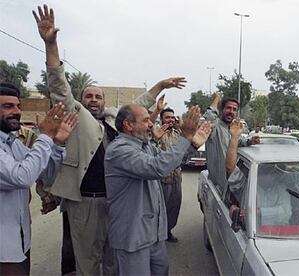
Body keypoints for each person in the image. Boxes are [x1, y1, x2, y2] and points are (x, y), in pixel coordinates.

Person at [33, 5, 187, 275]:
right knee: (88, 263)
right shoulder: (77, 117)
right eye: (88, 96)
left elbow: (140, 105)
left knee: (116, 262)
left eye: (98, 96)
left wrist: (161, 85)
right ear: (80, 101)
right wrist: (51, 44)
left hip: (118, 204)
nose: (93, 100)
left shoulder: (114, 117)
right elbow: (59, 86)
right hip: (88, 202)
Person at [104, 105, 211, 275]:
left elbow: (169, 159)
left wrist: (192, 144)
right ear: (128, 125)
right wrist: (185, 137)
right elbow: (158, 167)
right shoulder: (119, 150)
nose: (151, 125)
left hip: (153, 234)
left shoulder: (146, 146)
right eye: (146, 120)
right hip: (133, 236)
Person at [0, 83, 77, 275]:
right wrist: (46, 137)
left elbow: (44, 174)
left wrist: (57, 144)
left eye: (18, 106)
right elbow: (23, 177)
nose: (16, 112)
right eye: (7, 106)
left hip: (19, 240)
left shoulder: (12, 144)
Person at [225, 119, 291, 225]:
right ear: (260, 173)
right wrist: (234, 138)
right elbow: (230, 169)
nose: (270, 175)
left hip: (280, 233)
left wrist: (258, 212)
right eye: (266, 171)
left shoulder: (281, 189)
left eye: (273, 172)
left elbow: (286, 213)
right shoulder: (246, 186)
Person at [204, 93, 260, 187]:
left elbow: (238, 141)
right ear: (222, 110)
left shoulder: (232, 128)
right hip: (219, 185)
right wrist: (217, 99)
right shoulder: (215, 127)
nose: (231, 111)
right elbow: (209, 116)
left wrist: (249, 141)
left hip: (232, 184)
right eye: (228, 108)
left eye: (234, 109)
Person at [151, 101, 183, 242]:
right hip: (162, 179)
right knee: (159, 209)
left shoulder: (178, 133)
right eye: (167, 117)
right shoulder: (157, 133)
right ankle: (157, 234)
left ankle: (168, 231)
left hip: (176, 178)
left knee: (174, 207)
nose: (170, 120)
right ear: (162, 119)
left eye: (172, 117)